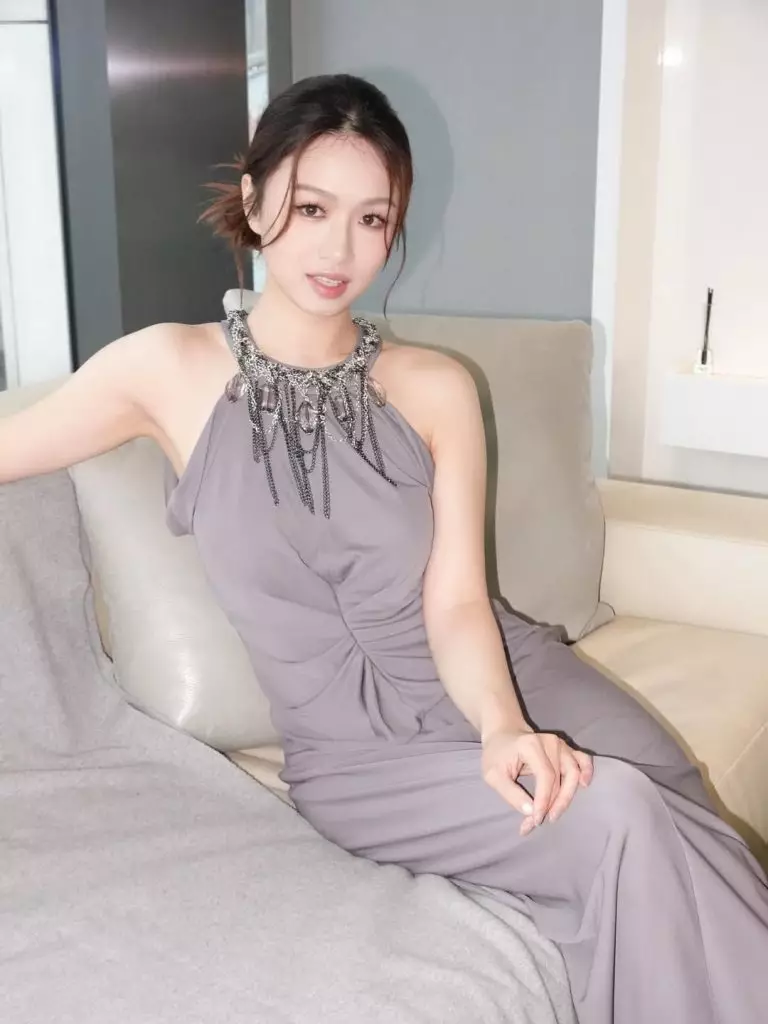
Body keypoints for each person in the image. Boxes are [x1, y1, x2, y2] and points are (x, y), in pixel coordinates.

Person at [2, 73, 767, 1023]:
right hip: (359, 761)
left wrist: (503, 726)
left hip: (510, 685)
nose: (339, 249)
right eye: (312, 208)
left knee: (679, 813)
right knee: (618, 814)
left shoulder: (436, 386)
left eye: (373, 219)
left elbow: (458, 601)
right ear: (254, 199)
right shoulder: (166, 368)